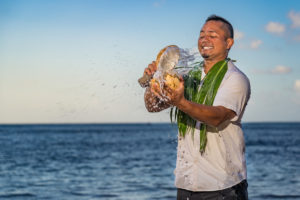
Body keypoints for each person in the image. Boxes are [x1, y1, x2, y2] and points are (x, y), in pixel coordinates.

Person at [143, 15, 250, 200]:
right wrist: (156, 78)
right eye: (201, 34)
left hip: (223, 187)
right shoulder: (187, 76)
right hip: (186, 184)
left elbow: (217, 116)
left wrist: (181, 102)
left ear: (229, 42)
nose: (204, 39)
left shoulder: (235, 79)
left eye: (212, 35)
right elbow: (152, 106)